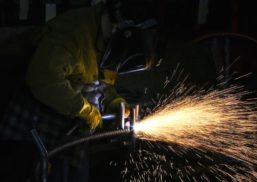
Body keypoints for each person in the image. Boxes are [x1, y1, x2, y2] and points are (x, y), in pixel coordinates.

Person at [0, 0, 160, 181]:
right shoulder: (72, 33)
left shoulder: (108, 42)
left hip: (70, 136)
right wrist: (84, 110)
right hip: (32, 131)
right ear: (124, 31)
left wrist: (112, 101)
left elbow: (100, 84)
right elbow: (43, 80)